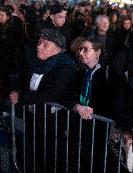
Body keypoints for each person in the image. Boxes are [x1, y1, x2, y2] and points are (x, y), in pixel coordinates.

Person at [9, 28, 77, 172]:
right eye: (39, 43)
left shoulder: (65, 66)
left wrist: (21, 97)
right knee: (34, 153)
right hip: (34, 116)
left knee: (52, 157)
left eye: (45, 44)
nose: (39, 46)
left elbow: (51, 94)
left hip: (53, 121)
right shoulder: (36, 61)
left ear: (57, 49)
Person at [69, 36, 112, 172]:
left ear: (98, 53)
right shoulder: (79, 72)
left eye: (86, 50)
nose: (81, 53)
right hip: (79, 127)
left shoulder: (109, 74)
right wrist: (77, 106)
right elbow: (67, 94)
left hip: (99, 130)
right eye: (80, 49)